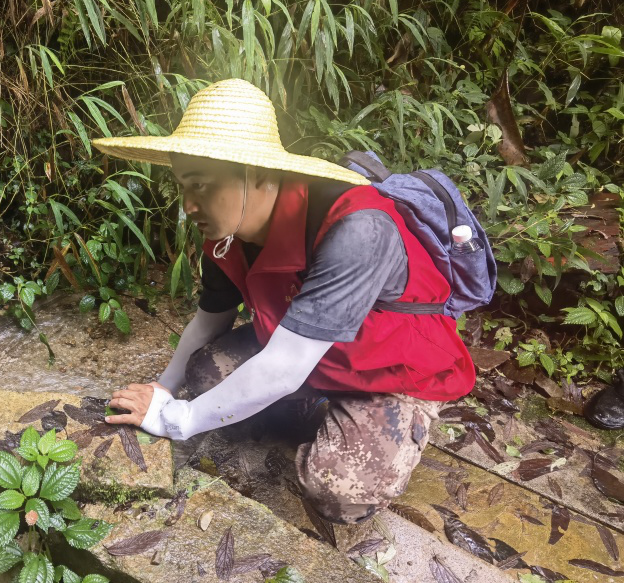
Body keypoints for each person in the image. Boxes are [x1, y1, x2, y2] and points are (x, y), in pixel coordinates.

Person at [92, 79, 475, 524]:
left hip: (389, 370)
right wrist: (165, 388)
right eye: (183, 187)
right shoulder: (227, 231)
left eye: (200, 186)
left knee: (339, 491)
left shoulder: (357, 230)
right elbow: (210, 319)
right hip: (309, 350)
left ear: (258, 175)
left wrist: (176, 419)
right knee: (204, 373)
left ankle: (399, 424)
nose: (188, 206)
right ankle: (317, 409)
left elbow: (285, 366)